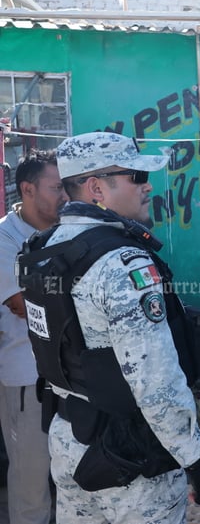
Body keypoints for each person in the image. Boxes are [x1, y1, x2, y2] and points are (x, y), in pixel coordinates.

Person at [19, 132, 200, 524]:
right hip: (132, 456)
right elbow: (154, 378)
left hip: (68, 440)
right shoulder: (123, 263)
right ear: (96, 188)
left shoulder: (43, 249)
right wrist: (195, 456)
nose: (147, 187)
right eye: (135, 176)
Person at [0, 151, 65, 524]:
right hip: (26, 379)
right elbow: (24, 304)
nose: (65, 196)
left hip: (68, 378)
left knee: (73, 479)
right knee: (30, 486)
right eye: (56, 187)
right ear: (27, 188)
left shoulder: (64, 230)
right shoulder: (6, 238)